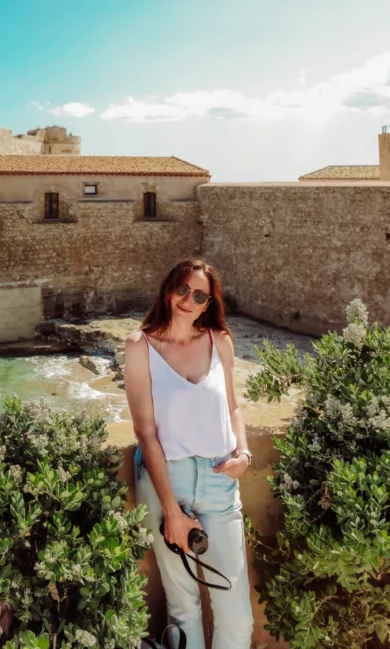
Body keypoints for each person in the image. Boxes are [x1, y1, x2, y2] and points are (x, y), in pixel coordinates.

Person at [125, 258, 253, 649]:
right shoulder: (140, 346)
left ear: (208, 304)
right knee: (184, 607)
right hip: (169, 483)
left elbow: (233, 405)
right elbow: (145, 432)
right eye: (183, 289)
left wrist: (244, 453)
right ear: (169, 289)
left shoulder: (220, 341)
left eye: (199, 295)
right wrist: (173, 512)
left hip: (219, 483)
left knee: (237, 614)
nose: (188, 299)